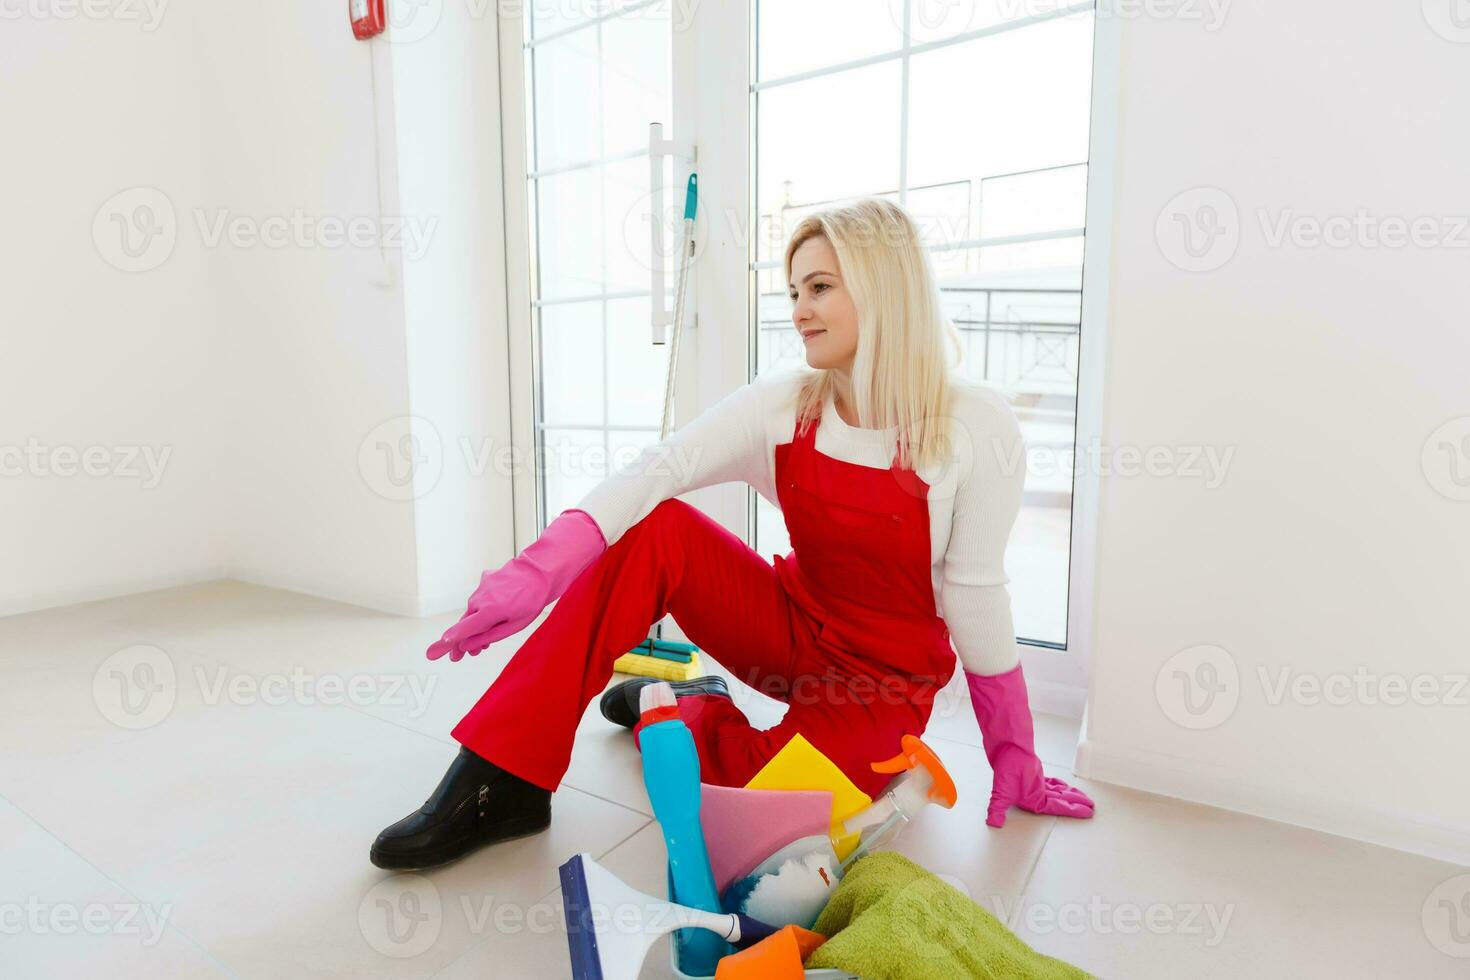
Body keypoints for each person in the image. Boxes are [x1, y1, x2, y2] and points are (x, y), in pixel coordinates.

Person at [370, 198, 1095, 870]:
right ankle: (502, 780)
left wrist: (1014, 753)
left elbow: (975, 594)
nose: (799, 311)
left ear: (882, 287)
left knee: (756, 821)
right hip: (788, 628)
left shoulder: (974, 425)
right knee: (654, 529)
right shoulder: (786, 404)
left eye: (819, 288)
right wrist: (543, 566)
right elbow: (663, 468)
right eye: (793, 293)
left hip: (881, 683)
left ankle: (683, 701)